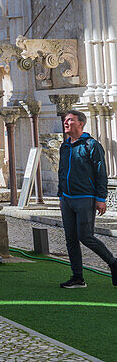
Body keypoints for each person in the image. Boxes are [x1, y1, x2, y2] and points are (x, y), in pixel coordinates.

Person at [56, 110, 117, 288]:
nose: (66, 123)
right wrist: (61, 195)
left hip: (85, 198)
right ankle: (77, 278)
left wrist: (101, 198)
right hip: (67, 199)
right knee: (70, 239)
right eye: (65, 120)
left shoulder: (91, 145)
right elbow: (61, 171)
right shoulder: (65, 146)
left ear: (80, 123)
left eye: (70, 120)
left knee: (86, 236)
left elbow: (101, 173)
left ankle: (113, 262)